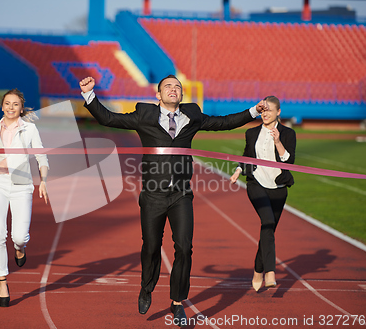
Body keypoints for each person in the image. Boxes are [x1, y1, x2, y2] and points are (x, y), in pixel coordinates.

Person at [79, 75, 267, 325]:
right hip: (153, 194)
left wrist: (253, 110)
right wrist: (89, 95)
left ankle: (178, 302)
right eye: (168, 86)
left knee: (184, 248)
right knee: (151, 247)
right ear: (158, 95)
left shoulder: (192, 117)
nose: (173, 89)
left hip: (181, 194)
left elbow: (224, 122)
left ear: (181, 95)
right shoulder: (144, 116)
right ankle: (147, 287)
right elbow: (108, 118)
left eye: (177, 87)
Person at [0, 89, 49, 307]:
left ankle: (20, 248)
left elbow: (41, 156)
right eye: (7, 103)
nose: (11, 107)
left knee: (19, 237)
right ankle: (2, 281)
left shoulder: (30, 129)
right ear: (2, 106)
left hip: (22, 184)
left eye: (15, 104)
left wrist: (43, 180)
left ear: (21, 108)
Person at [230, 96, 295, 291]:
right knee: (266, 222)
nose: (264, 114)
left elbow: (288, 162)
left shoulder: (288, 133)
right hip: (256, 183)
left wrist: (277, 141)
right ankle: (270, 271)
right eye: (263, 110)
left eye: (268, 110)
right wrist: (238, 171)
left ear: (278, 112)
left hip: (279, 188)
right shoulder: (251, 133)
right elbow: (246, 156)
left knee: (268, 231)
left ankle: (258, 270)